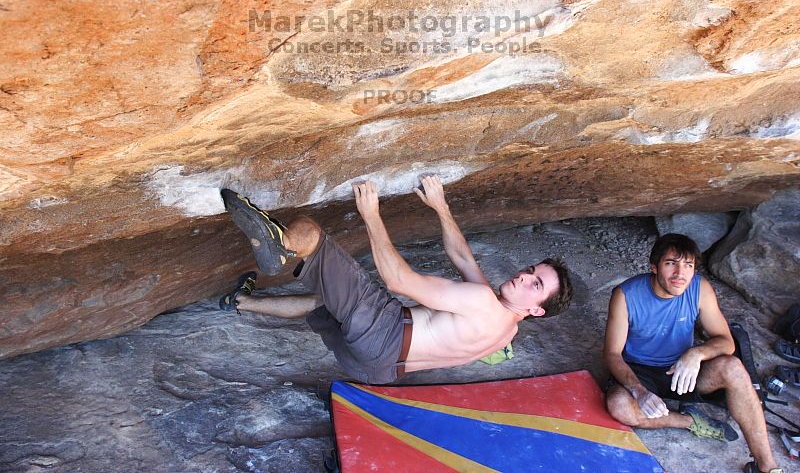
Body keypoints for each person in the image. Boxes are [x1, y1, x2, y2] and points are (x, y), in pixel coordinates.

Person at [218, 174, 573, 384]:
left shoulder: (483, 303)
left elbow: (398, 281)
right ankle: (242, 302)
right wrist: (440, 206)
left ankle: (283, 246)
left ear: (537, 310)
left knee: (310, 234)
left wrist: (371, 214)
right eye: (530, 271)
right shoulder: (505, 333)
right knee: (324, 301)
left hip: (382, 331)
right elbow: (464, 259)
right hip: (376, 368)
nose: (523, 278)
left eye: (535, 285)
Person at [603, 233, 783, 473]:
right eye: (671, 264)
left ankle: (767, 467)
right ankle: (690, 421)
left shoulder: (699, 289)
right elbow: (612, 355)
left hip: (683, 370)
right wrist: (640, 391)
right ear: (654, 267)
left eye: (688, 265)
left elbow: (726, 341)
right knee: (619, 406)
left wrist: (696, 354)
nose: (680, 274)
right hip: (640, 370)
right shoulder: (626, 295)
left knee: (733, 368)